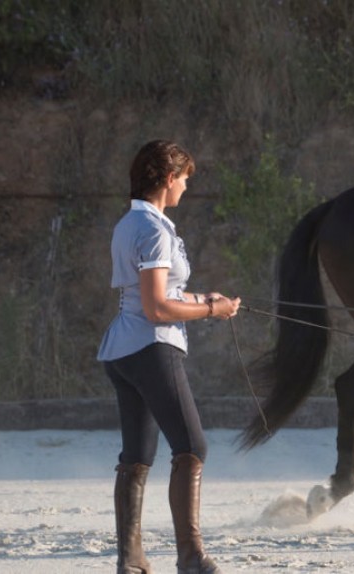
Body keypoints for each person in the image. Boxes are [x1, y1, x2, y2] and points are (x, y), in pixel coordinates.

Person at [97, 140, 240, 574]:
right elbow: (158, 308)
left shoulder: (130, 223)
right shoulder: (155, 230)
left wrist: (202, 297)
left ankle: (131, 559)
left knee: (137, 456)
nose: (185, 187)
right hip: (152, 346)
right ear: (167, 179)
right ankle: (191, 556)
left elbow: (153, 295)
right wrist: (212, 310)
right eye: (183, 179)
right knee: (192, 446)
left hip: (122, 348)